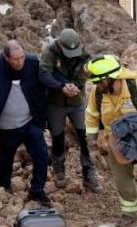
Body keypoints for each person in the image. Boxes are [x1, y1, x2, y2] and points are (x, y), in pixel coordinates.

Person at [0, 40, 72, 205]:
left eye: (22, 57)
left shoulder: (32, 62)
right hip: (6, 127)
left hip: (30, 122)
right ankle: (3, 185)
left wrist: (64, 84)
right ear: (6, 58)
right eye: (15, 59)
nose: (20, 62)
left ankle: (37, 190)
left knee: (41, 155)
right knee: (6, 156)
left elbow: (50, 73)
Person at [85, 54, 137, 227]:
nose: (97, 86)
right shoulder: (99, 93)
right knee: (122, 179)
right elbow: (92, 116)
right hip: (116, 141)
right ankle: (129, 213)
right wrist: (92, 142)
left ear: (109, 78)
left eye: (99, 82)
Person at [39, 28, 100, 192]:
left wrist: (76, 86)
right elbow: (44, 74)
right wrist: (61, 87)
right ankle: (59, 170)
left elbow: (83, 75)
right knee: (57, 136)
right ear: (59, 44)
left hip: (76, 101)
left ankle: (89, 173)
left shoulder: (82, 53)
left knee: (84, 135)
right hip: (55, 101)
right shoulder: (49, 52)